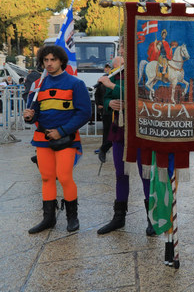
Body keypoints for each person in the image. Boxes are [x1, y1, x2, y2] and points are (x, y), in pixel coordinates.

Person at [23, 45, 91, 234]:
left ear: (61, 61)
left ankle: (72, 217)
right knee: (46, 177)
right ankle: (48, 218)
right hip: (42, 138)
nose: (49, 63)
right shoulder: (38, 85)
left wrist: (61, 131)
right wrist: (29, 116)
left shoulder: (75, 84)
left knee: (64, 176)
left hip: (66, 138)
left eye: (53, 59)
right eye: (46, 60)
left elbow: (85, 113)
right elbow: (34, 113)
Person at [96, 56, 155, 235]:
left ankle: (152, 219)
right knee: (121, 174)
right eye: (122, 47)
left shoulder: (145, 72)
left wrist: (112, 86)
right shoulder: (116, 75)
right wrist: (110, 103)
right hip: (120, 129)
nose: (124, 51)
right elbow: (105, 99)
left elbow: (140, 94)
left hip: (142, 130)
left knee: (146, 174)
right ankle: (119, 217)